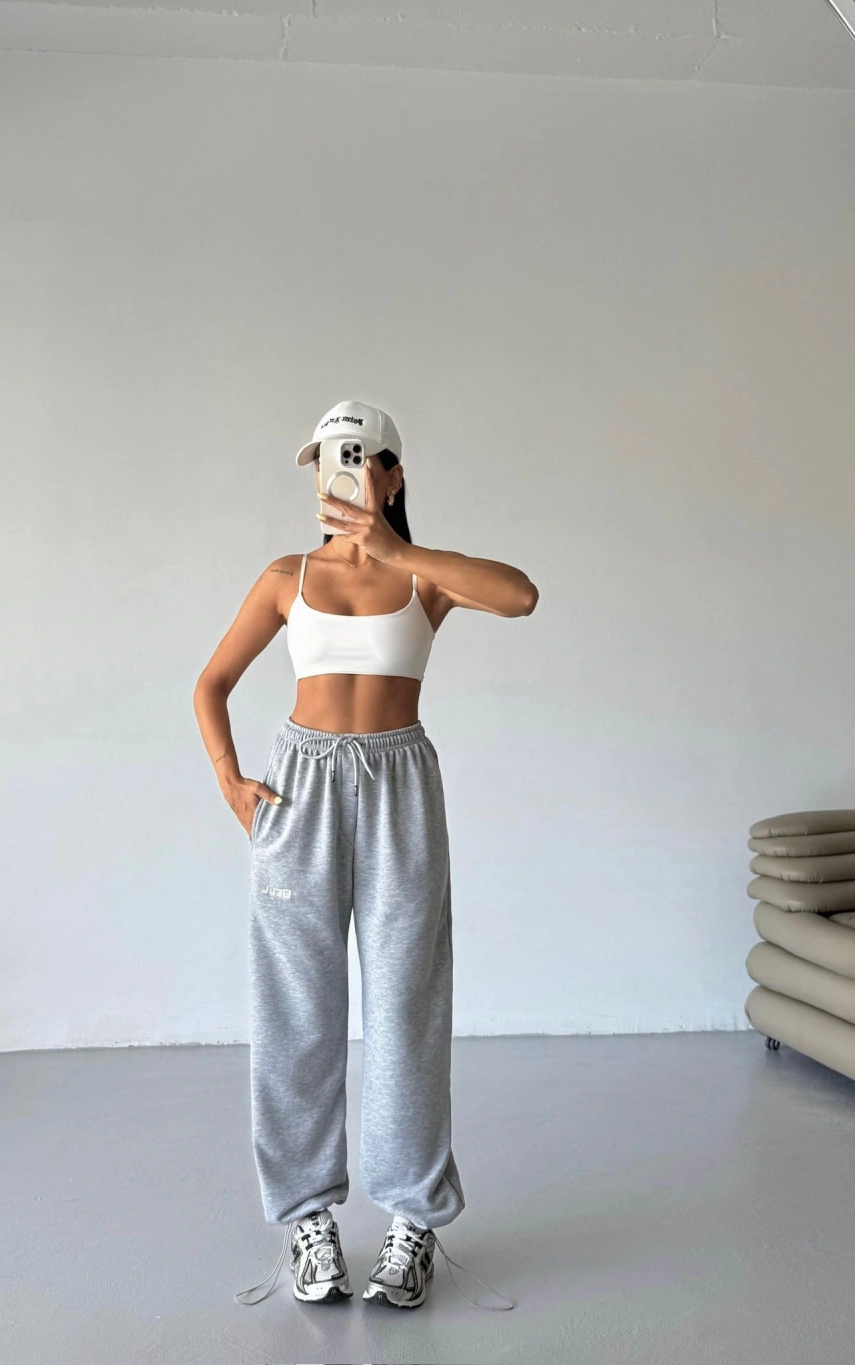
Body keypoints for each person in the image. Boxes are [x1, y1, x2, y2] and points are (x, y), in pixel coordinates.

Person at [193, 401, 536, 1311]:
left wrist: (398, 549)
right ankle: (307, 1218)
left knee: (405, 1004)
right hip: (299, 789)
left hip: (399, 787)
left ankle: (412, 1218)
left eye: (354, 455)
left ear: (391, 474)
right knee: (296, 1007)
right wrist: (232, 782)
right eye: (323, 459)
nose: (334, 472)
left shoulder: (426, 578)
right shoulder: (287, 575)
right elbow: (211, 683)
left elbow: (522, 595)